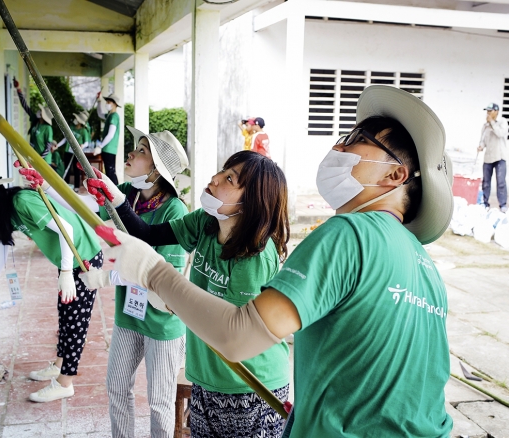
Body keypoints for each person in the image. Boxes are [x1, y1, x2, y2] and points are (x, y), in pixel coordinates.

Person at [100, 85, 455, 437]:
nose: (337, 146)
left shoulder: (349, 234)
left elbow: (238, 335)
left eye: (355, 138)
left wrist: (153, 272)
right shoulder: (425, 267)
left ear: (395, 176)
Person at [85, 151, 291, 437]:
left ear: (251, 200)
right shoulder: (205, 223)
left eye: (229, 178)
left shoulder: (256, 254)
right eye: (223, 170)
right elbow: (147, 234)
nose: (215, 178)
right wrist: (117, 200)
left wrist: (168, 295)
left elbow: (232, 333)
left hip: (250, 385)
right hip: (206, 377)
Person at [35, 127, 190, 437]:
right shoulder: (128, 195)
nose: (131, 154)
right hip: (129, 315)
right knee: (117, 390)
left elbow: (157, 275)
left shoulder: (175, 211)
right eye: (136, 148)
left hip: (161, 322)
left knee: (160, 403)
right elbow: (83, 206)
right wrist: (45, 185)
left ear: (157, 171)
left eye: (142, 151)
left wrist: (104, 277)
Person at [0, 165, 106, 403]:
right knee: (65, 315)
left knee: (76, 321)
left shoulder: (21, 201)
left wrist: (66, 272)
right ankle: (59, 365)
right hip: (69, 260)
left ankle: (65, 383)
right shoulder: (6, 211)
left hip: (83, 258)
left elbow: (67, 229)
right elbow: (0, 254)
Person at [13, 78, 58, 166]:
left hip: (44, 161)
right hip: (34, 158)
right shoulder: (36, 121)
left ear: (43, 116)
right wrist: (18, 89)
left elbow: (48, 147)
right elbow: (25, 106)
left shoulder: (48, 128)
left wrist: (39, 158)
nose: (39, 111)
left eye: (41, 111)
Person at [478, 102, 508, 212]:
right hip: (488, 157)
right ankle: (485, 203)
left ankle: (503, 205)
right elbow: (483, 140)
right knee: (486, 181)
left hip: (500, 157)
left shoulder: (502, 122)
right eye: (487, 111)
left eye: (490, 111)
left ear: (496, 111)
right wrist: (481, 146)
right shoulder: (485, 126)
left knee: (501, 182)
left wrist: (492, 122)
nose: (488, 113)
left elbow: (501, 133)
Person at [96, 93, 122, 185]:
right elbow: (100, 114)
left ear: (114, 104)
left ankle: (118, 193)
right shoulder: (109, 115)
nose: (107, 103)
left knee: (111, 173)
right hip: (107, 149)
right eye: (106, 101)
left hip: (109, 149)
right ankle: (115, 193)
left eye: (109, 102)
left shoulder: (114, 116)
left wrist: (100, 146)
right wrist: (99, 101)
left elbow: (111, 135)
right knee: (109, 172)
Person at [66, 112, 91, 189]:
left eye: (76, 119)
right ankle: (66, 185)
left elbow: (87, 142)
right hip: (68, 151)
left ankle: (76, 187)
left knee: (77, 169)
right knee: (67, 168)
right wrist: (57, 146)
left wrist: (82, 146)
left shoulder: (84, 130)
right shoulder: (71, 127)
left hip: (77, 153)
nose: (75, 120)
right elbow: (65, 138)